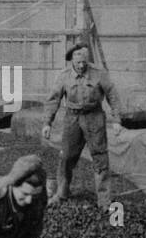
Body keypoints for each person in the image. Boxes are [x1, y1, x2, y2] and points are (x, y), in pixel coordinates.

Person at [41, 43, 122, 209]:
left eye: (84, 62)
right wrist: (47, 123)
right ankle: (62, 193)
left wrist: (117, 120)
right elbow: (53, 100)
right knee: (66, 157)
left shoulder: (99, 74)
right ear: (72, 61)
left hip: (94, 117)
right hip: (72, 119)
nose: (81, 65)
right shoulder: (63, 76)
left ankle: (104, 201)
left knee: (100, 157)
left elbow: (112, 95)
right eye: (78, 63)